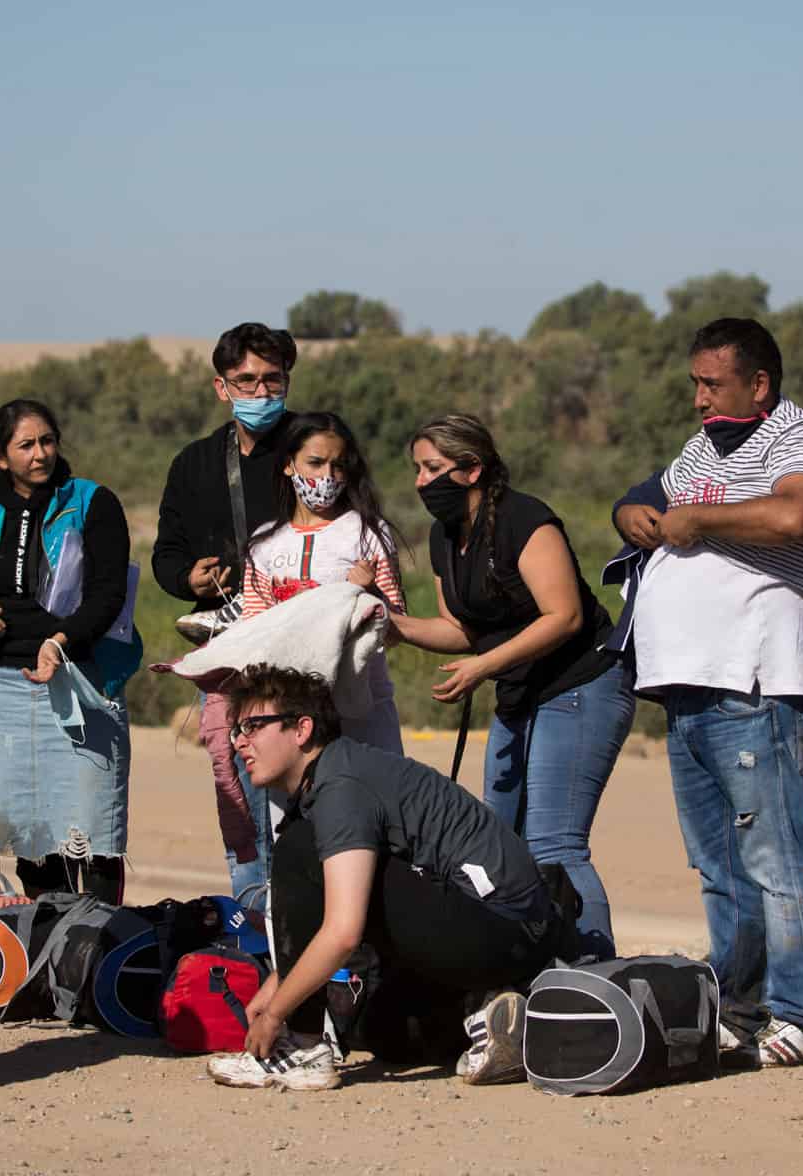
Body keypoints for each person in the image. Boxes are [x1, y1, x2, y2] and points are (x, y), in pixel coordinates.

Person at [610, 317, 803, 1067]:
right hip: (686, 683)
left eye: (713, 384)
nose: (701, 399)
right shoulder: (705, 445)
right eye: (696, 385)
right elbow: (651, 495)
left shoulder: (802, 438)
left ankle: (800, 1015)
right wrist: (633, 514)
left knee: (776, 858)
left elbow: (794, 513)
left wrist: (697, 521)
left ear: (760, 384)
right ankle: (739, 1009)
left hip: (755, 680)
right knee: (719, 866)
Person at [204, 665, 564, 1092]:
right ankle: (494, 1012)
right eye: (236, 731)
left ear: (301, 730)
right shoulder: (332, 778)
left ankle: (302, 1048)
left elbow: (342, 932)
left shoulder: (340, 786)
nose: (240, 741)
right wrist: (280, 981)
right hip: (493, 933)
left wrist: (278, 1013)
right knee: (384, 1032)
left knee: (299, 850)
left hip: (506, 928)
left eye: (253, 726)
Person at [390, 413, 634, 960]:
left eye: (433, 468)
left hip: (581, 684)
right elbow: (459, 628)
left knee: (556, 843)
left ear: (472, 469)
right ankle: (529, 970)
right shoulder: (443, 536)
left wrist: (482, 667)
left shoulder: (526, 519)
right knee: (496, 844)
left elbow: (564, 616)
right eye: (416, 469)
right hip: (518, 693)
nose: (421, 482)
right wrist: (394, 626)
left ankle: (595, 976)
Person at [0, 399, 138, 901]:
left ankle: (96, 951)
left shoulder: (92, 502)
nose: (41, 454)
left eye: (48, 441)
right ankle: (47, 948)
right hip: (11, 687)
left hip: (83, 679)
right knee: (34, 838)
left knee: (93, 834)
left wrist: (59, 641)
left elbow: (108, 594)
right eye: (26, 445)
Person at [151, 322, 299, 898]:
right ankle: (250, 936)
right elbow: (168, 552)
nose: (261, 393)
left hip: (300, 651)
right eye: (247, 381)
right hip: (228, 652)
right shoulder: (194, 463)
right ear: (221, 387)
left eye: (272, 380)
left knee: (303, 795)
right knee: (240, 796)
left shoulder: (313, 450)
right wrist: (188, 577)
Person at [240, 410, 407, 752]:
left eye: (338, 465)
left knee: (366, 802)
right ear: (289, 464)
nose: (327, 476)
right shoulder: (264, 545)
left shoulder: (368, 533)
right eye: (315, 463)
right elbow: (252, 630)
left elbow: (395, 632)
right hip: (287, 714)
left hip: (362, 712)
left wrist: (371, 595)